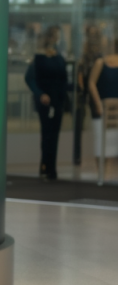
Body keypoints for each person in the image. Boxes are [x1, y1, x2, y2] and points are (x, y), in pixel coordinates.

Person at [25, 26, 70, 180]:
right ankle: (45, 165)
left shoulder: (59, 58)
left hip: (58, 100)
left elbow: (64, 80)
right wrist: (40, 94)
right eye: (54, 36)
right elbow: (29, 78)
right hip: (44, 101)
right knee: (47, 133)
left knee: (55, 133)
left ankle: (52, 168)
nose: (55, 39)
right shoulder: (39, 58)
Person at [74, 25, 103, 165]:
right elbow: (81, 74)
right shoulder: (85, 55)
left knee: (99, 125)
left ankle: (100, 157)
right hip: (85, 92)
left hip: (96, 93)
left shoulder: (100, 56)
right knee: (79, 124)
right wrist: (81, 88)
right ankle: (77, 156)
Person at [89, 38, 118, 167]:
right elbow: (91, 83)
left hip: (116, 109)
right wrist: (98, 104)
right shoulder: (101, 62)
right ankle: (102, 171)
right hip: (102, 108)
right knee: (101, 141)